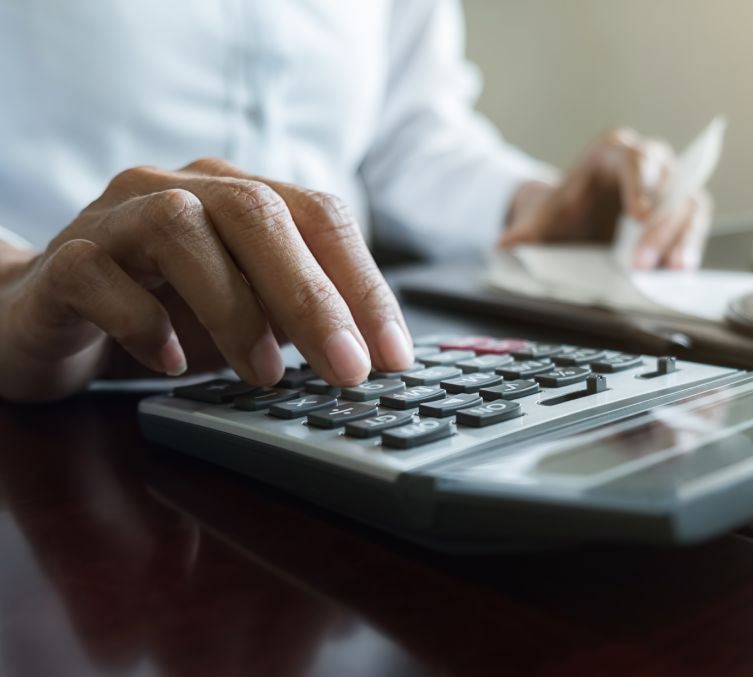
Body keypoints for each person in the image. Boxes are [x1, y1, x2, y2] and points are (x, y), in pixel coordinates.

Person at [0, 1, 711, 402]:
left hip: (330, 388)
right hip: (50, 401)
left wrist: (530, 207)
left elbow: (407, 128)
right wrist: (12, 284)